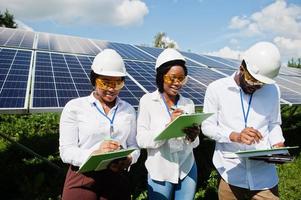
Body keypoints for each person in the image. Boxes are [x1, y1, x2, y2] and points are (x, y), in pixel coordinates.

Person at [201, 41, 285, 200]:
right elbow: (207, 126)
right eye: (253, 81)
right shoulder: (217, 89)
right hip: (231, 172)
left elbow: (274, 123)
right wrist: (234, 136)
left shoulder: (273, 90)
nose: (257, 86)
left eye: (262, 83)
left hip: (264, 175)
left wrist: (277, 144)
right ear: (242, 68)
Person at [59, 49, 140, 200]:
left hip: (117, 177)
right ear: (94, 80)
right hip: (83, 177)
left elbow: (134, 146)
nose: (111, 88)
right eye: (105, 82)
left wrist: (129, 159)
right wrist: (94, 154)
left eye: (118, 83)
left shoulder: (128, 110)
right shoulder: (75, 107)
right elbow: (66, 151)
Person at [136, 48, 200, 200]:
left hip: (187, 167)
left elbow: (195, 144)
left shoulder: (188, 103)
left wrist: (193, 136)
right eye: (172, 78)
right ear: (161, 76)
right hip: (160, 170)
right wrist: (168, 127)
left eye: (181, 78)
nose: (177, 83)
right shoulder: (147, 101)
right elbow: (141, 139)